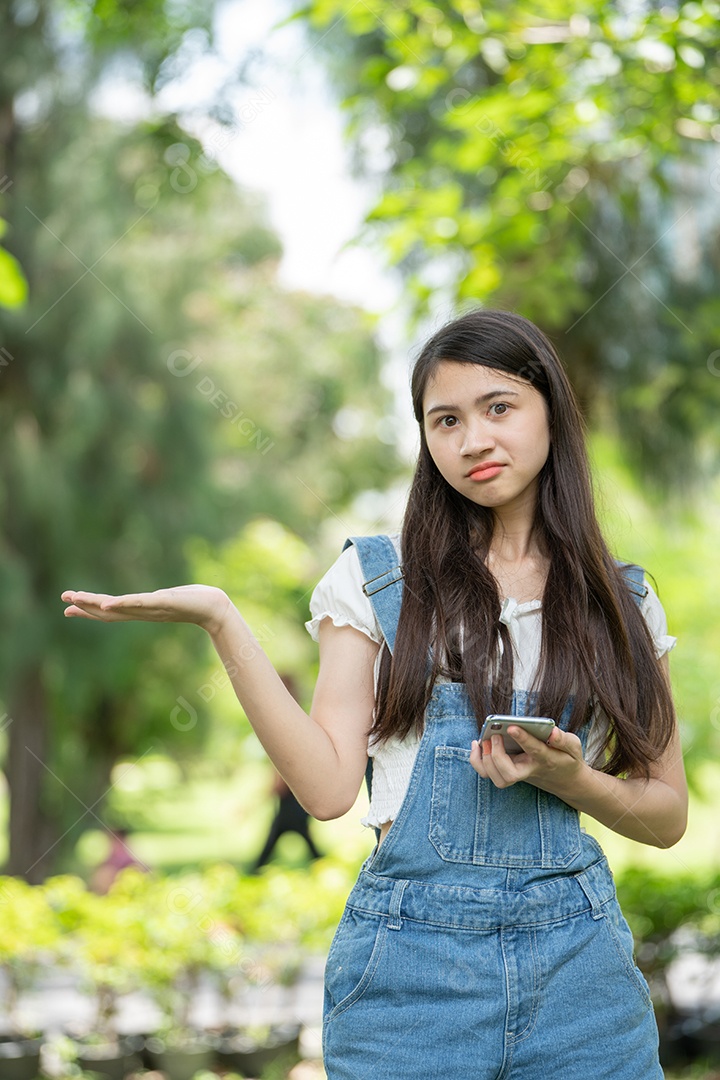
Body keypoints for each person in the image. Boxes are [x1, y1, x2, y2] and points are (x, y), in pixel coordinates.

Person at [61, 309, 687, 1079]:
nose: (473, 441)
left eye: (499, 408)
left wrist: (571, 778)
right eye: (444, 420)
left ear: (551, 410)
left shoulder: (621, 601)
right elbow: (324, 790)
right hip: (410, 978)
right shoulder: (379, 581)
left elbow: (665, 817)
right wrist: (222, 620)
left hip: (582, 979)